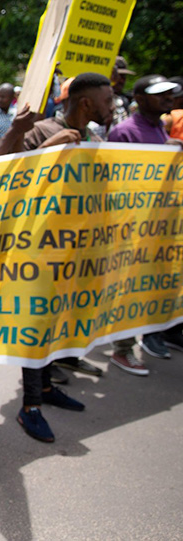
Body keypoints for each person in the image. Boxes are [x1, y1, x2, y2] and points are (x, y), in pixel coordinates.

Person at [12, 73, 117, 441]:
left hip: (77, 249)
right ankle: (29, 406)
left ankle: (45, 386)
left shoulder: (95, 140)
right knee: (35, 322)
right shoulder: (41, 131)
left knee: (58, 318)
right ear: (86, 104)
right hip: (38, 249)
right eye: (107, 102)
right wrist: (50, 149)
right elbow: (9, 178)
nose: (113, 108)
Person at [107, 74, 183, 367]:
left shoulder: (161, 131)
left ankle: (152, 335)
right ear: (139, 98)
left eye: (169, 94)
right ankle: (122, 348)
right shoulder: (125, 132)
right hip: (132, 229)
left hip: (158, 226)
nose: (167, 98)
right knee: (127, 287)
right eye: (158, 93)